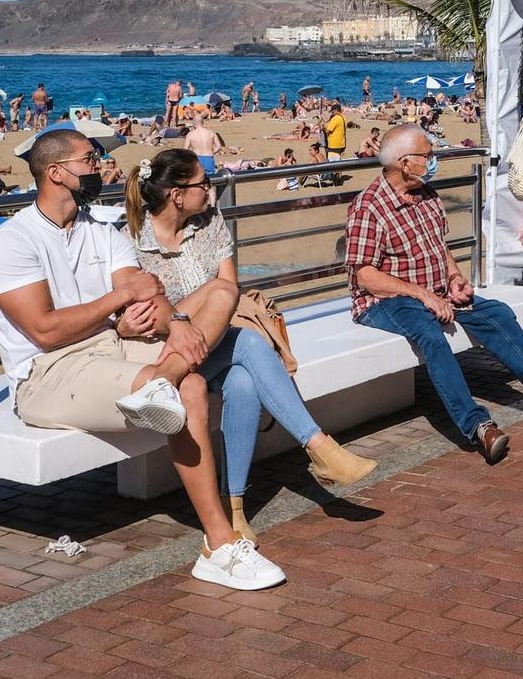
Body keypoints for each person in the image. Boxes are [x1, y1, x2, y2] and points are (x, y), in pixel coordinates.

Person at [0, 130, 284, 589]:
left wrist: (176, 322)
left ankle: (216, 542)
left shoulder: (101, 232)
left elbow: (148, 295)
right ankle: (220, 543)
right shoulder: (12, 242)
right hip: (49, 371)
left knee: (198, 362)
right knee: (192, 387)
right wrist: (118, 301)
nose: (101, 167)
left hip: (111, 347)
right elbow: (45, 330)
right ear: (56, 172)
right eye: (91, 159)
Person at [127, 148, 374, 541]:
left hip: (218, 339)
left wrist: (195, 311)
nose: (211, 190)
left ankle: (234, 508)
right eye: (203, 184)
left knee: (243, 380)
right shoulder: (132, 242)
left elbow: (230, 291)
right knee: (249, 346)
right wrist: (193, 310)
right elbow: (152, 316)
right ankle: (319, 446)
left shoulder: (209, 221)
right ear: (177, 194)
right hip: (165, 354)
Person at [346, 124, 523, 462]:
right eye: (427, 156)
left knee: (496, 313)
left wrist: (456, 278)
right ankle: (478, 426)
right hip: (386, 301)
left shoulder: (427, 196)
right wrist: (422, 295)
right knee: (430, 335)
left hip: (435, 291)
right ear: (404, 162)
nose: (433, 161)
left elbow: (438, 248)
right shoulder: (369, 207)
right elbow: (365, 275)